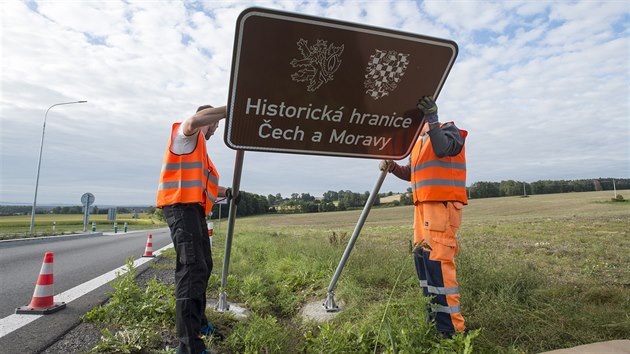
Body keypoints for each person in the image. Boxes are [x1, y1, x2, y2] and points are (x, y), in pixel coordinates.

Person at [380, 96, 468, 338]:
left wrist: (433, 118)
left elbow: (442, 149)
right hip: (422, 211)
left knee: (440, 268)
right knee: (424, 265)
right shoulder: (417, 145)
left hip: (441, 208)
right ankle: (435, 322)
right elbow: (413, 174)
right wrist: (394, 168)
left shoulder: (451, 131)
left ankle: (452, 331)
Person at [157, 105, 231, 354]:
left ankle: (199, 323)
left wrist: (228, 193)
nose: (216, 128)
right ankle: (189, 346)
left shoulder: (201, 154)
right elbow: (195, 120)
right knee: (190, 268)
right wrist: (233, 106)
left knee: (203, 265)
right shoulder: (186, 135)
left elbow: (204, 186)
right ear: (208, 120)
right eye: (216, 124)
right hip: (180, 206)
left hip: (194, 210)